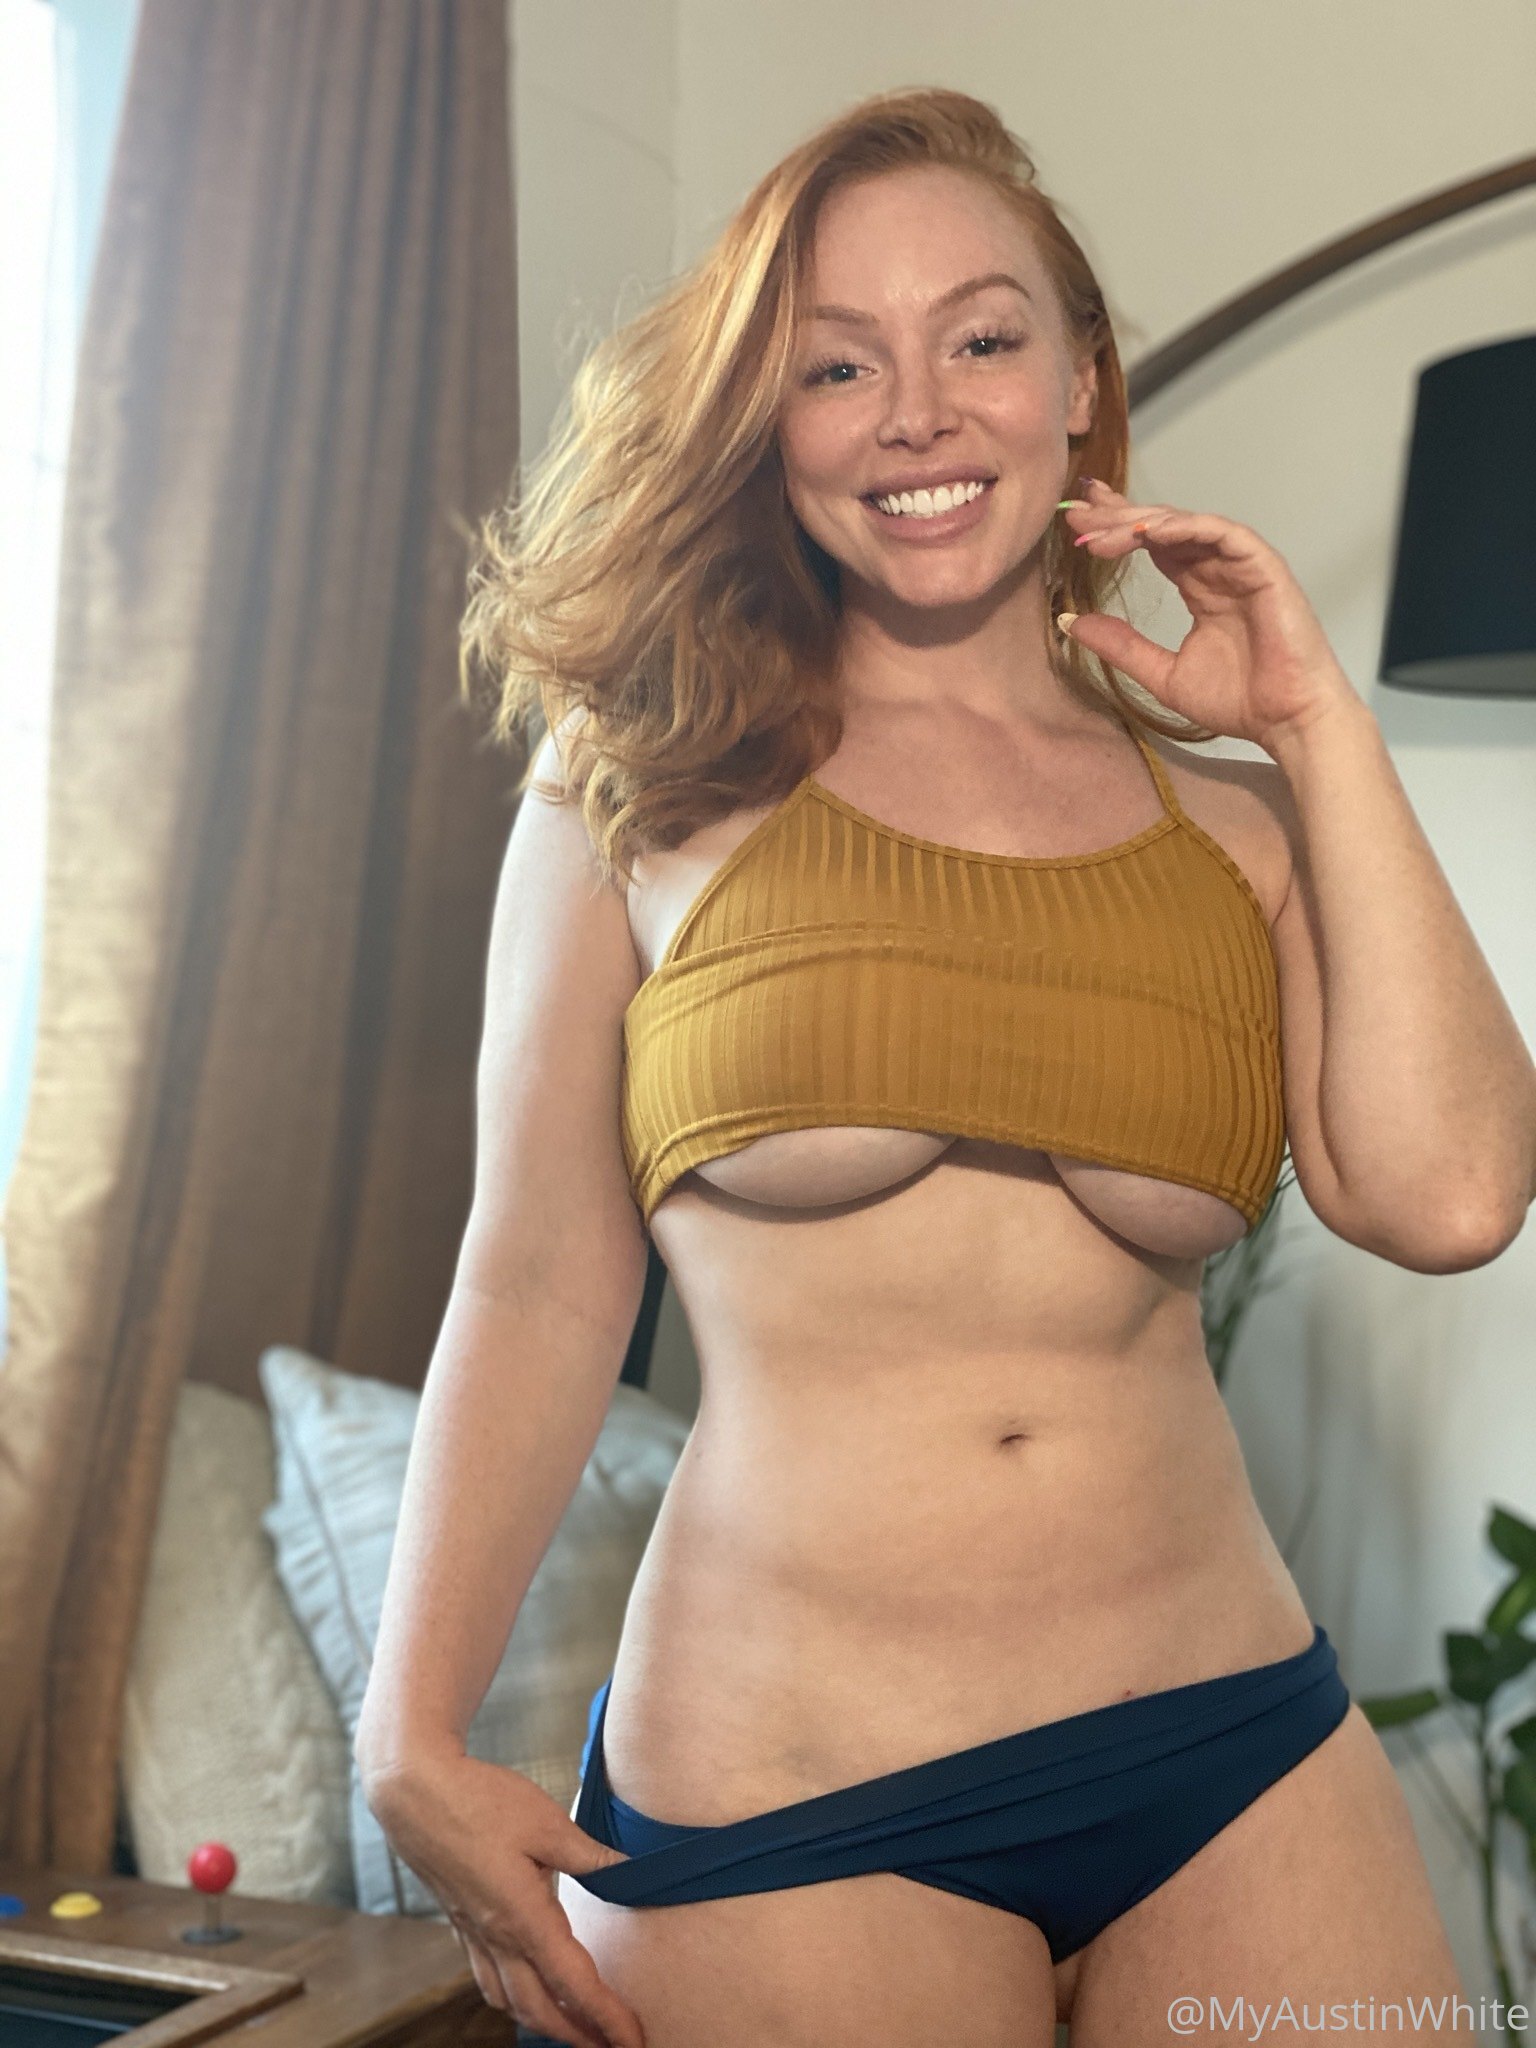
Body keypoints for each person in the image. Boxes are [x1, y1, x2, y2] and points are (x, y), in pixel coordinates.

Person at [355, 87, 1534, 2048]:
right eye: (838, 365)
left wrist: (1317, 725)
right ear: (771, 423)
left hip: (1232, 1748)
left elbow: (1455, 1193)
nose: (916, 414)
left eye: (981, 339)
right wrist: (410, 1727)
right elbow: (541, 1274)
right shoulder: (642, 788)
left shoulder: (1235, 824)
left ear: (1080, 382)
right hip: (797, 1792)